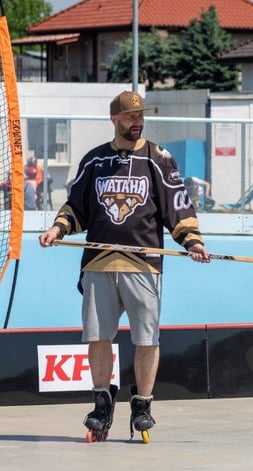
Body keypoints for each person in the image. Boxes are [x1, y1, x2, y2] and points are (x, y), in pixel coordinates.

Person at [38, 90, 210, 442]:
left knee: (147, 338)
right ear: (114, 119)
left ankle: (143, 405)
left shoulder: (158, 159)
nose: (138, 121)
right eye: (131, 116)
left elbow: (177, 206)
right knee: (98, 338)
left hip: (143, 263)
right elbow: (76, 208)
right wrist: (57, 228)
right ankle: (102, 404)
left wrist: (192, 241)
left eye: (141, 116)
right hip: (99, 263)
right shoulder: (94, 160)